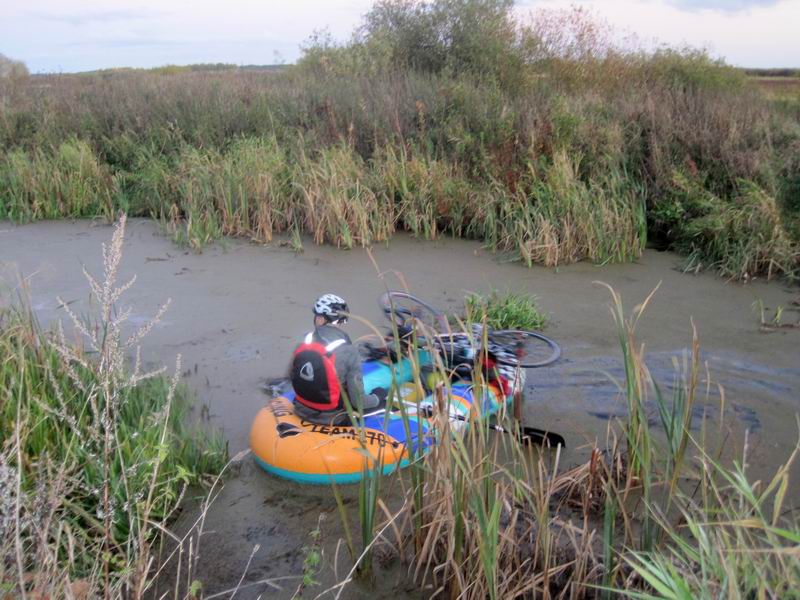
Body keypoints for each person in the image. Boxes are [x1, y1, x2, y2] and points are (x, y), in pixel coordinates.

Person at [290, 294, 384, 425]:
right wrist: (378, 397)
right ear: (341, 321)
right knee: (382, 398)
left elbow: (293, 377)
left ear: (320, 319)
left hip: (300, 409)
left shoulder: (303, 342)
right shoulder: (349, 351)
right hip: (332, 418)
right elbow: (358, 402)